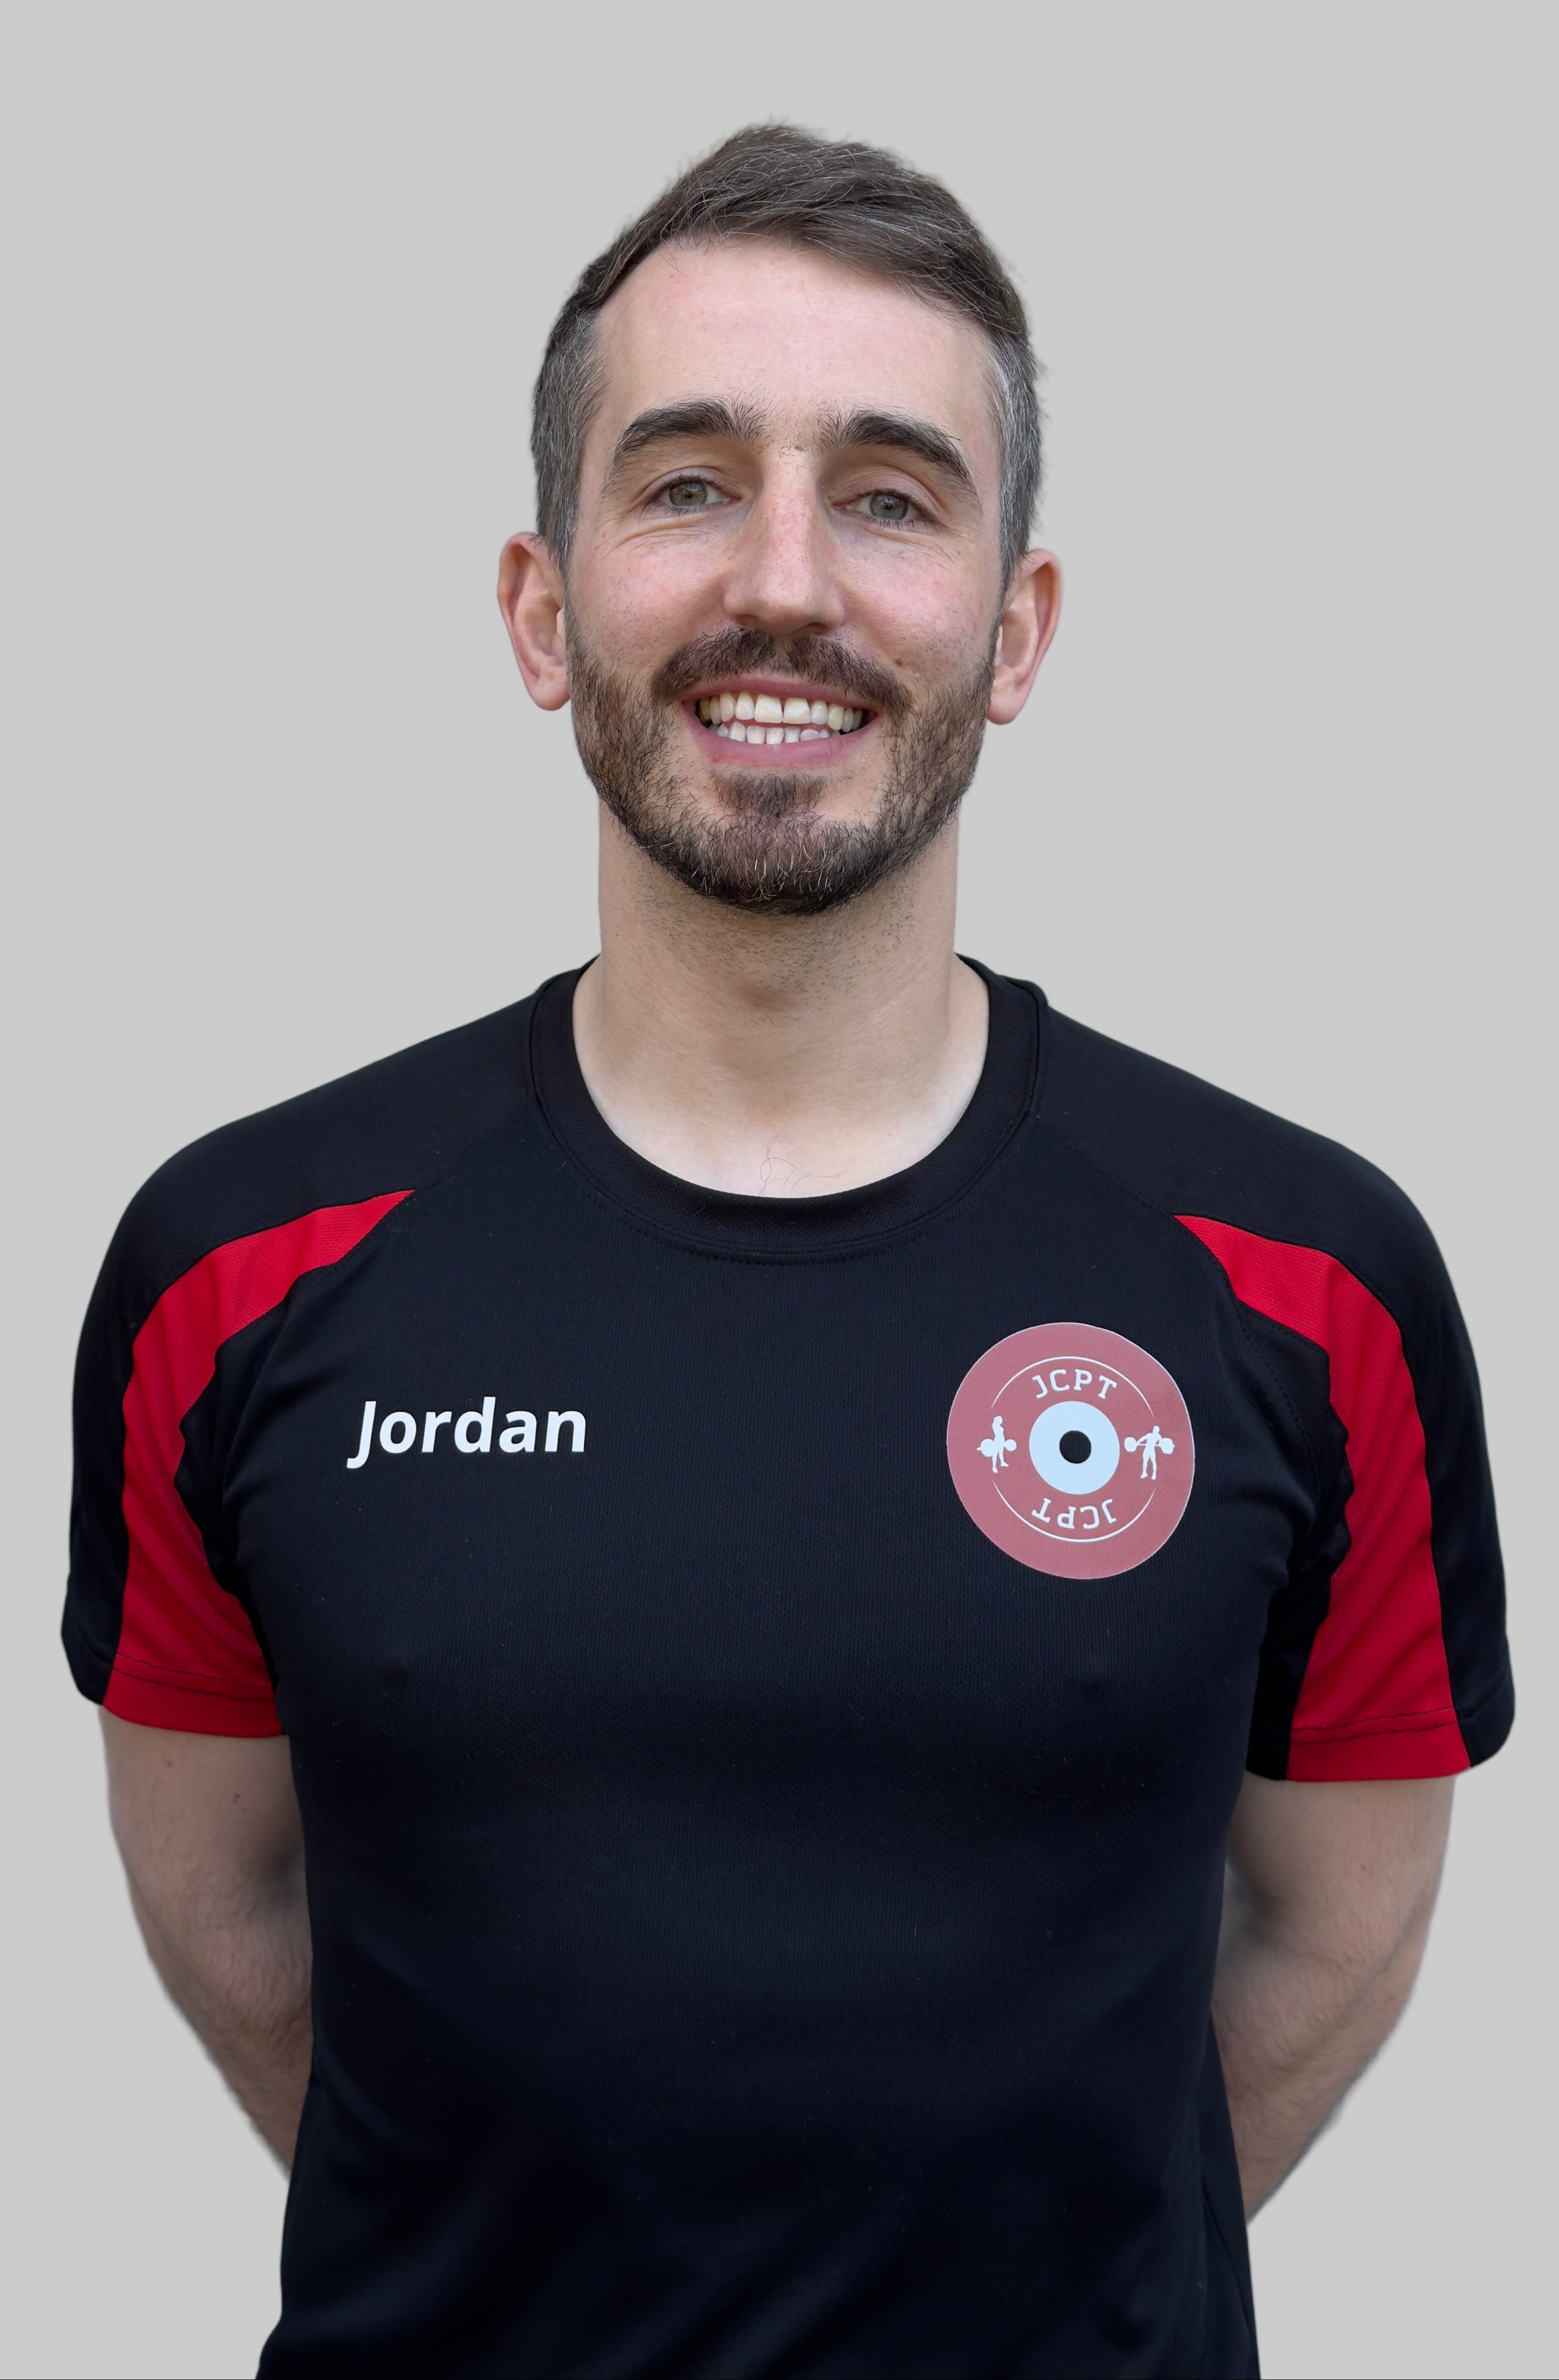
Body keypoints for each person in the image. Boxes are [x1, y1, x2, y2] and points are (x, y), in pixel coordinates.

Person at [64, 125, 1512, 2380]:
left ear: (1012, 630)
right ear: (542, 608)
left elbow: (1333, 1930)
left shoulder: (1303, 1281)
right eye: (682, 481)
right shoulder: (235, 1266)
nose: (784, 583)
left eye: (889, 491)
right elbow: (224, 1907)